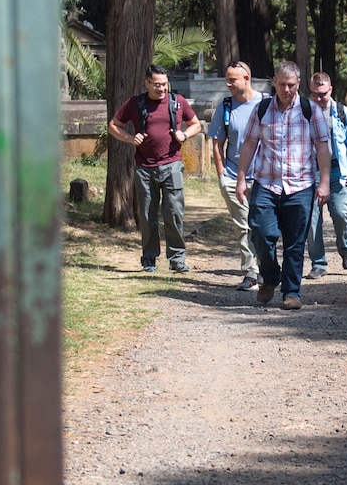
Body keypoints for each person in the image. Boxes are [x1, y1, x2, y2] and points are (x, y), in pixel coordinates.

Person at [233, 61, 331, 310]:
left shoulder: (311, 111)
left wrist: (325, 183)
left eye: (291, 85)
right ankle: (271, 275)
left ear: (298, 84)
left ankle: (292, 293)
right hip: (267, 184)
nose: (287, 90)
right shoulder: (262, 109)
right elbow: (249, 145)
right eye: (282, 84)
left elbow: (322, 148)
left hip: (300, 187)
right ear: (274, 82)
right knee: (261, 234)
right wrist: (242, 179)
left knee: (295, 243)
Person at [108, 65, 201, 273]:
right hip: (144, 167)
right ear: (147, 83)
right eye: (157, 85)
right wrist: (131, 138)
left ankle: (177, 258)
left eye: (165, 84)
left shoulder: (178, 102)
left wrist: (184, 135)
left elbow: (195, 124)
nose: (161, 89)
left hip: (172, 164)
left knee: (174, 213)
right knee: (148, 214)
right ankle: (149, 258)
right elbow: (113, 125)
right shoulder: (135, 103)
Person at [205, 61, 268, 291]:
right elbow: (217, 143)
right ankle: (251, 272)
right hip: (233, 175)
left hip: (264, 177)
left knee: (263, 226)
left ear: (246, 79)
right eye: (227, 79)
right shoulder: (226, 107)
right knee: (243, 227)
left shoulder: (266, 103)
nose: (228, 84)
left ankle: (267, 268)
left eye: (233, 79)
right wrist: (222, 175)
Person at [304, 72, 347, 278]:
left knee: (341, 214)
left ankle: (345, 249)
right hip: (311, 171)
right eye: (314, 95)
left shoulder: (343, 113)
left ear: (331, 90)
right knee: (311, 220)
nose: (318, 99)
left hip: (338, 171)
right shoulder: (304, 113)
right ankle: (318, 263)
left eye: (322, 94)